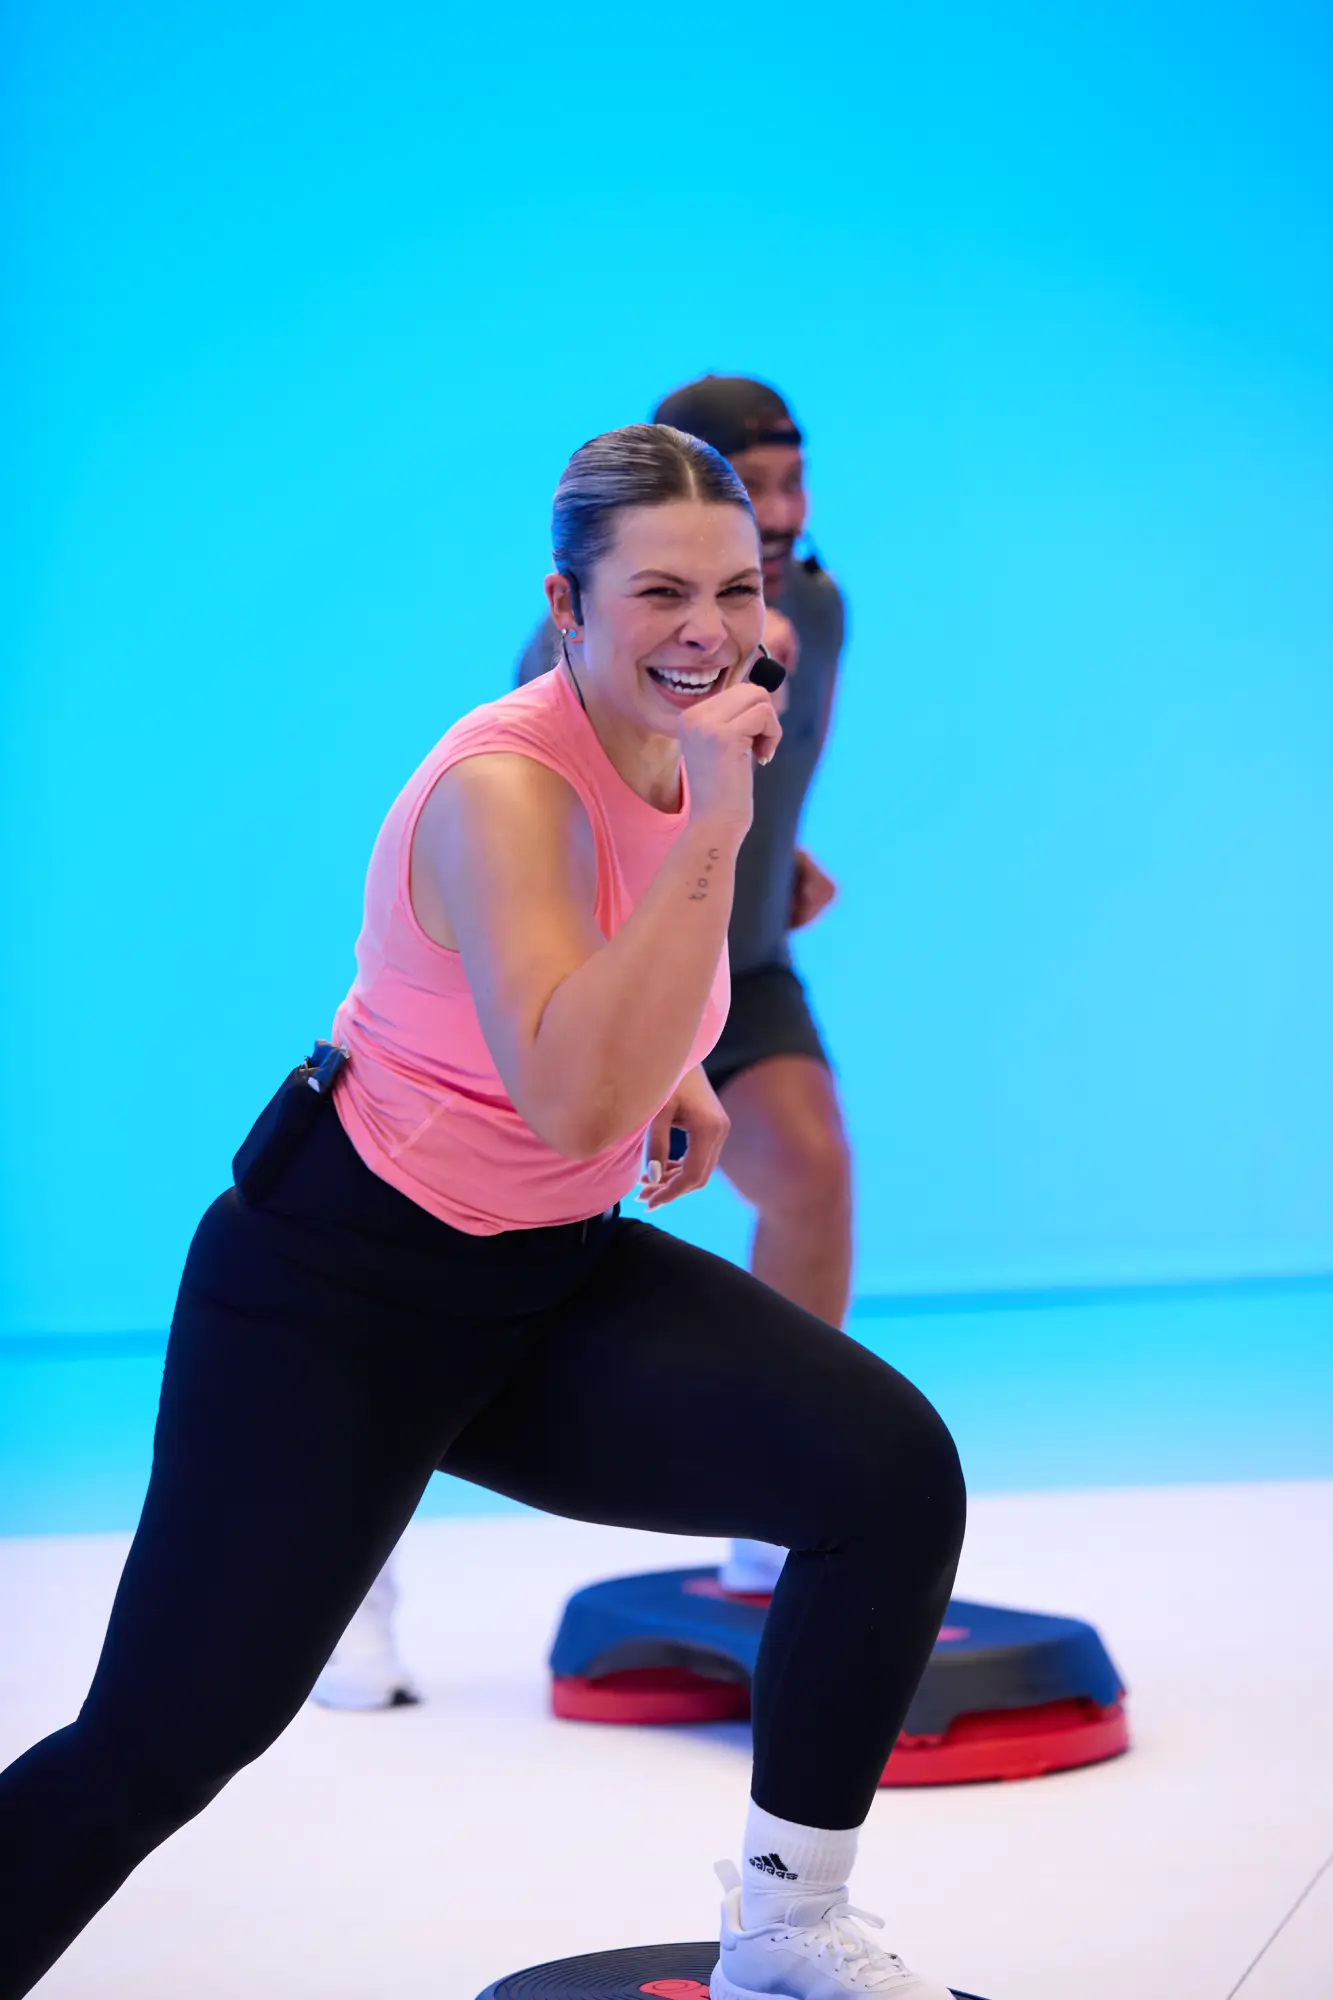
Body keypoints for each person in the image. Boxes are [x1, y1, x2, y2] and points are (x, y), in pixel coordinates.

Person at [0, 425, 965, 2000]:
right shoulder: (507, 786)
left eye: (739, 586)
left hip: (539, 1281)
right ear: (565, 604)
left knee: (889, 1478)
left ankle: (787, 1936)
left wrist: (686, 1070)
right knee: (167, 1741)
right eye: (660, 590)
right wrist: (721, 830)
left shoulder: (672, 749)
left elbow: (571, 1021)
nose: (712, 627)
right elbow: (567, 1091)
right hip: (339, 1292)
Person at [316, 379, 850, 1707]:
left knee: (813, 1171)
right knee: (430, 1333)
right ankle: (343, 1566)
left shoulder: (811, 619)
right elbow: (585, 827)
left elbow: (738, 765)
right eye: (749, 488)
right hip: (597, 982)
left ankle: (779, 1514)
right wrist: (660, 1048)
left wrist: (778, 856)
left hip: (731, 962)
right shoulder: (548, 699)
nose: (777, 516)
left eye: (792, 485)